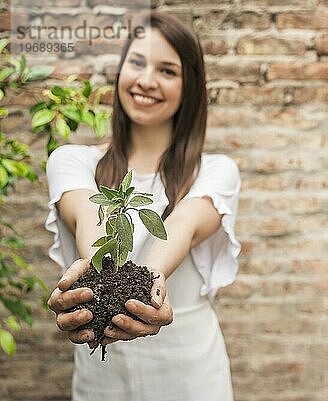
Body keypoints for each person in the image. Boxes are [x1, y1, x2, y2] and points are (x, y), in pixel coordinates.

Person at [45, 12, 241, 401]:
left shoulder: (217, 171)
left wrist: (145, 282)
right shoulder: (73, 161)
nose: (146, 80)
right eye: (137, 62)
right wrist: (101, 277)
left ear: (190, 86)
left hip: (189, 371)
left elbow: (182, 225)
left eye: (167, 70)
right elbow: (88, 213)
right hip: (103, 375)